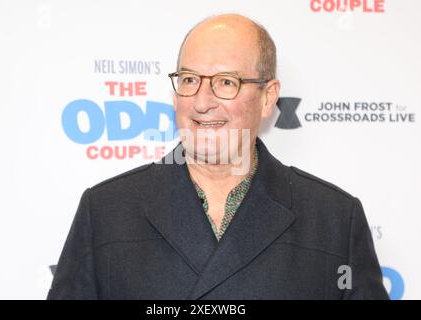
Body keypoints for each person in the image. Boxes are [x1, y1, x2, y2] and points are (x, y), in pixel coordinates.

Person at [47, 14, 389, 299]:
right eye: (189, 79)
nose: (201, 101)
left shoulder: (333, 219)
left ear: (268, 97)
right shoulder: (106, 211)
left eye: (226, 82)